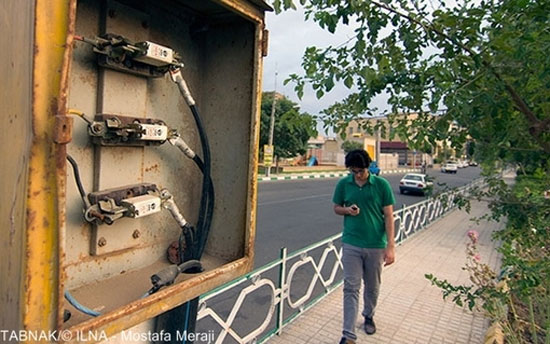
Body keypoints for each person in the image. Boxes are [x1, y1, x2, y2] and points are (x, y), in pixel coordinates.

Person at [333, 149, 396, 344]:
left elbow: (388, 216)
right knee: (351, 288)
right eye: (353, 171)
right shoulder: (344, 184)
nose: (357, 175)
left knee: (372, 287)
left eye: (360, 171)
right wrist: (347, 211)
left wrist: (391, 247)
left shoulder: (381, 185)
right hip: (352, 243)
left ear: (368, 168)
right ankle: (348, 335)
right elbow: (336, 208)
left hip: (376, 245)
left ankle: (369, 315)